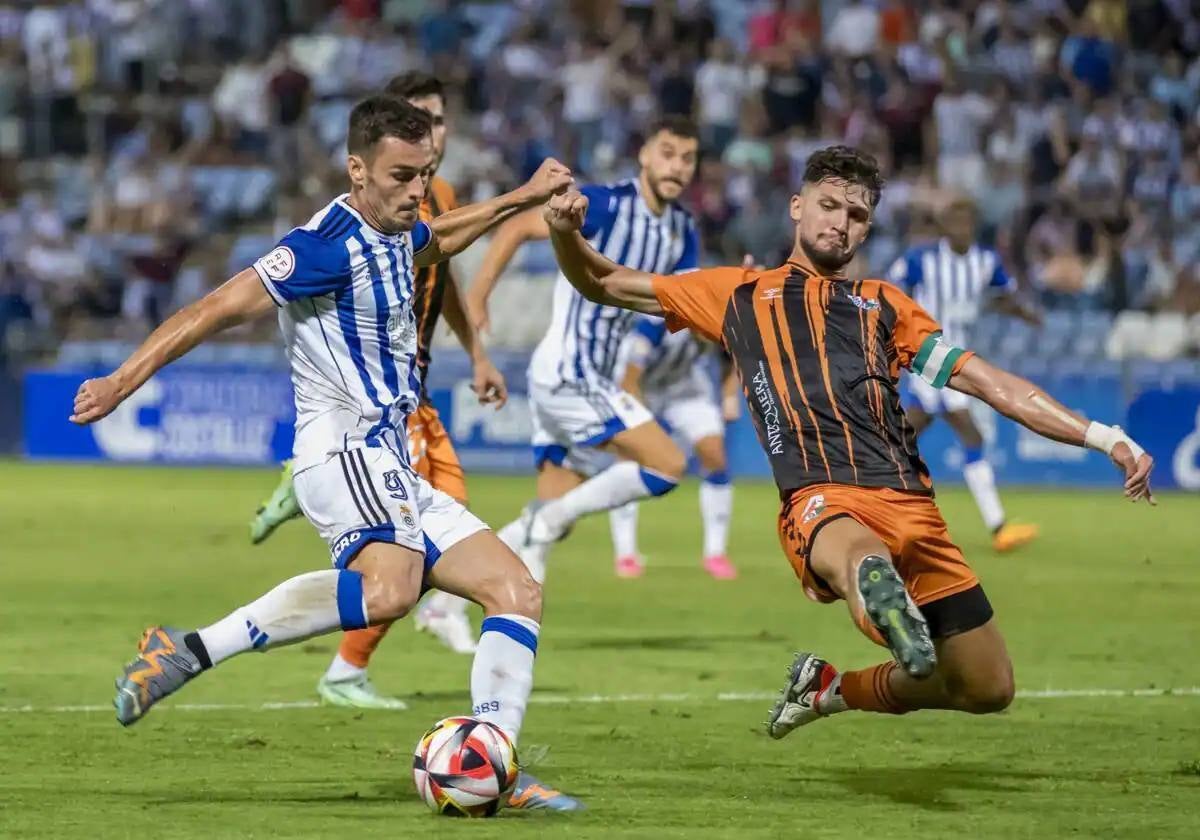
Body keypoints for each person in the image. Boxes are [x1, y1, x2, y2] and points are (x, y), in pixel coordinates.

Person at [536, 145, 1154, 739]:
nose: (842, 223)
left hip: (916, 510)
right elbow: (604, 281)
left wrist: (1105, 436)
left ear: (868, 229)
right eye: (830, 205)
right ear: (798, 207)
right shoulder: (737, 293)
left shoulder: (884, 306)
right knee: (865, 565)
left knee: (988, 687)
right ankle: (883, 604)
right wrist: (566, 234)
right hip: (823, 501)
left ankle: (827, 690)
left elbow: (991, 384)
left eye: (858, 215)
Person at [70, 95, 582, 811]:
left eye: (425, 174)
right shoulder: (322, 246)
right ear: (357, 170)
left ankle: (487, 755)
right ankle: (186, 650)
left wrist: (521, 197)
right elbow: (213, 307)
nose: (416, 190)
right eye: (402, 175)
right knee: (392, 592)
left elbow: (440, 233)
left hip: (388, 458)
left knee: (515, 591)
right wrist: (123, 379)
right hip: (339, 448)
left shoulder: (400, 228)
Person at [249, 72, 506, 709]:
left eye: (440, 121)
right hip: (376, 405)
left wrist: (477, 352)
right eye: (421, 120)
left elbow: (438, 288)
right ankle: (349, 662)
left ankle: (392, 628)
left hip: (410, 394)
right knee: (414, 547)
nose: (433, 135)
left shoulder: (436, 198)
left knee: (436, 536)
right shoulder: (370, 213)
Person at [467, 116, 735, 581]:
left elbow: (681, 305)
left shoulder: (681, 230)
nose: (677, 166)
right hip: (572, 370)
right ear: (645, 156)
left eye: (688, 158)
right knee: (667, 463)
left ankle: (447, 604)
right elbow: (516, 229)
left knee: (552, 517)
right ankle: (545, 521)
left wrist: (729, 294)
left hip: (579, 376)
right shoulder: (610, 204)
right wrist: (477, 295)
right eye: (667, 153)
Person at [886, 197, 1042, 551]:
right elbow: (892, 292)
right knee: (968, 435)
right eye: (954, 221)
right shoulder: (921, 259)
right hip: (928, 357)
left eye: (967, 221)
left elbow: (1002, 296)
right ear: (943, 227)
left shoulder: (985, 262)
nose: (961, 228)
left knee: (903, 438)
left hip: (956, 360)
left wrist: (1025, 314)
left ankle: (875, 502)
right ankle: (998, 527)